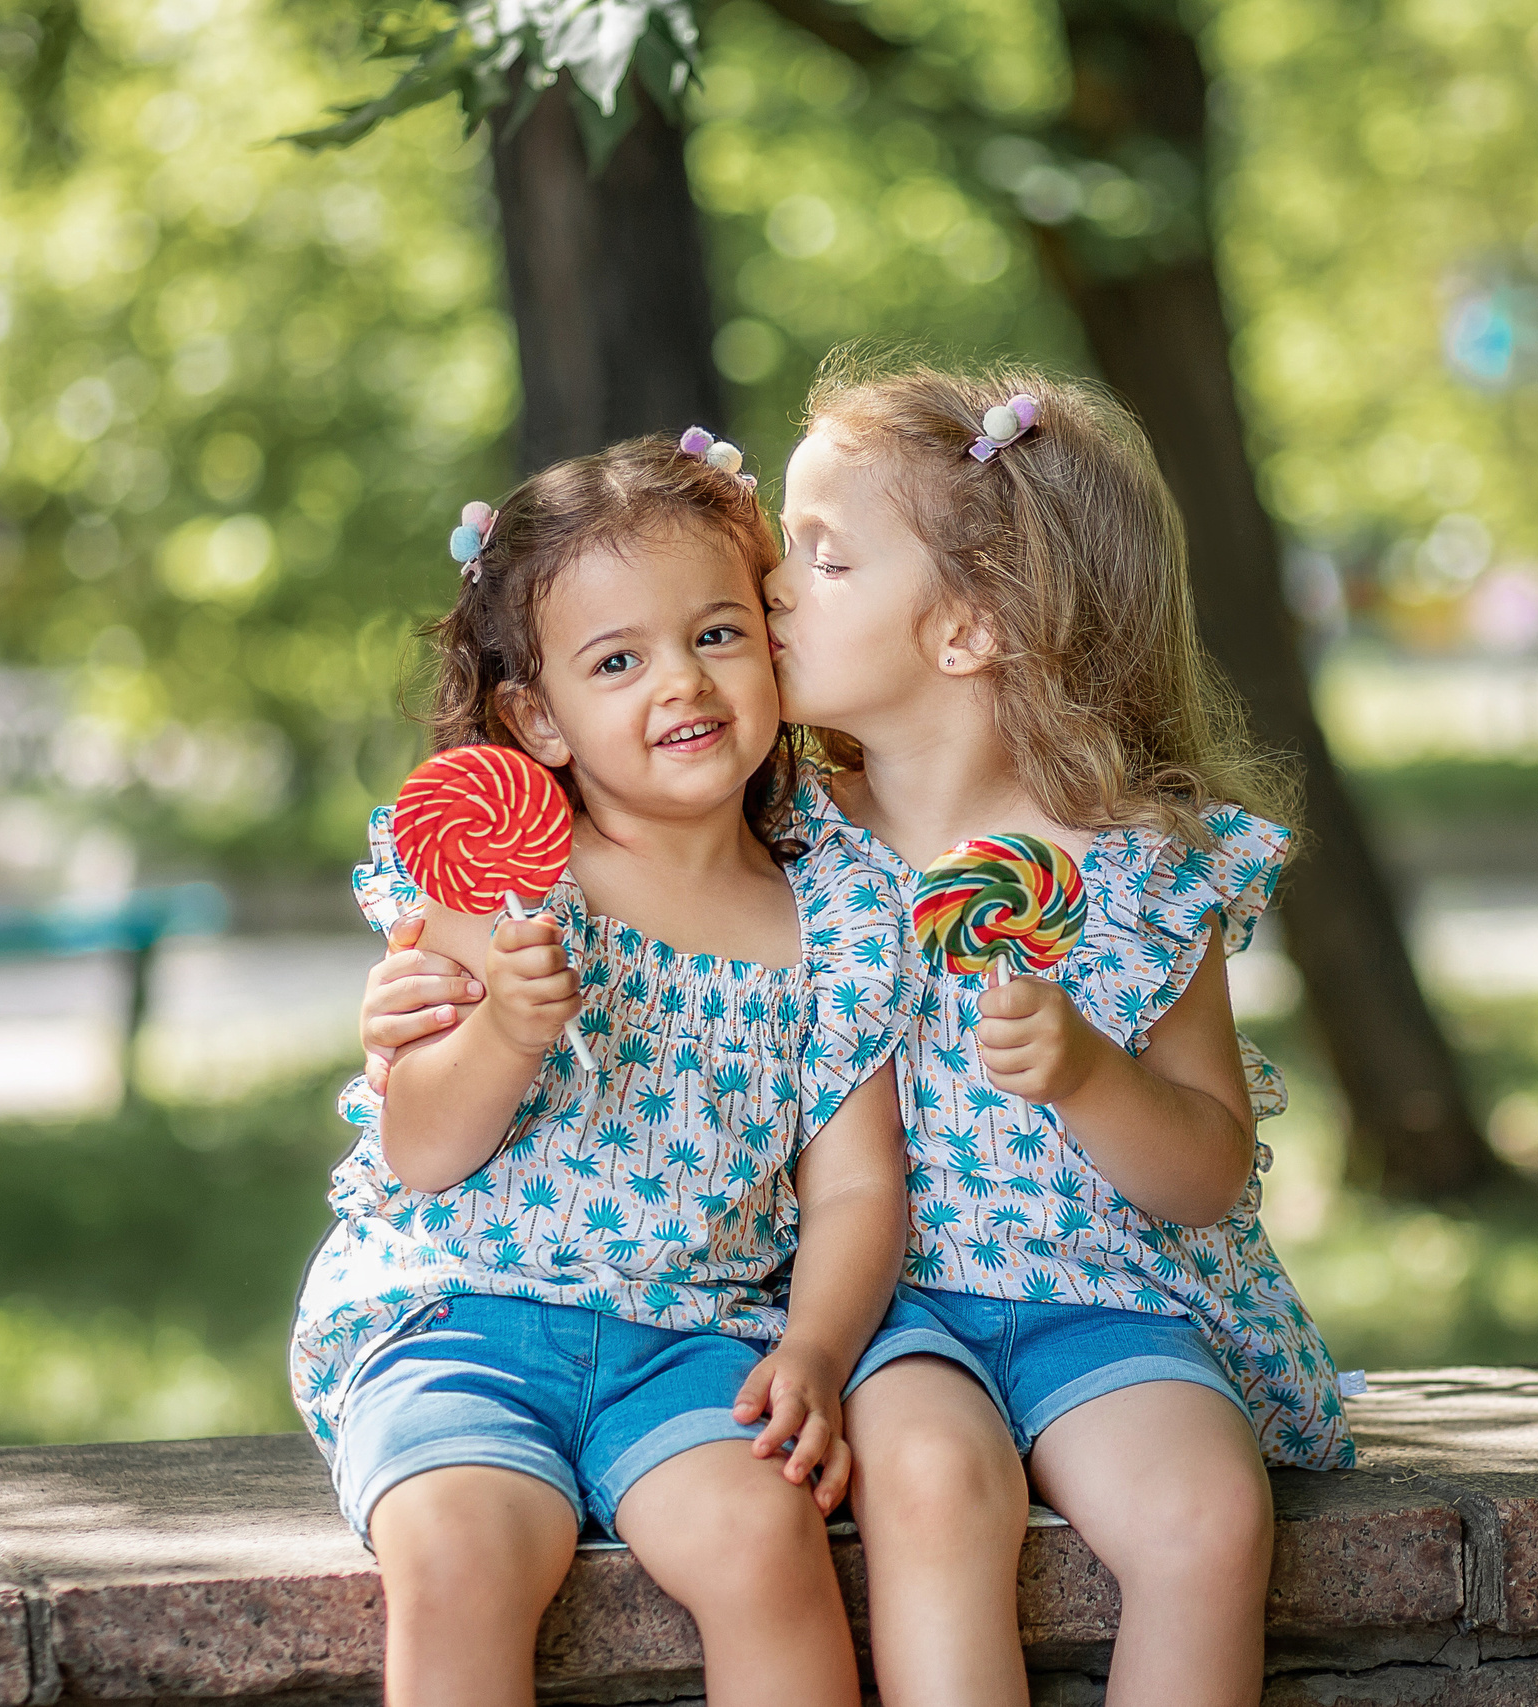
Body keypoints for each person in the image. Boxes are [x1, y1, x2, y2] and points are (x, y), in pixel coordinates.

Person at [760, 357, 1353, 1707]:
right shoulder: (781, 853)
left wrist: (1088, 1070)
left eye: (825, 556)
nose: (774, 584)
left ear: (969, 626)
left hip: (1107, 1299)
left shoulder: (1142, 872)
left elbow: (1208, 1172)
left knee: (1206, 1516)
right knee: (930, 1482)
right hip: (886, 1308)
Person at [292, 429, 908, 1707]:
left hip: (691, 1338)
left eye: (717, 635)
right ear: (538, 718)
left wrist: (813, 1352)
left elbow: (853, 1189)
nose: (677, 682)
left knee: (760, 1538)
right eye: (615, 661)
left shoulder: (836, 912)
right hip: (455, 1316)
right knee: (463, 1548)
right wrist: (505, 1033)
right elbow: (421, 1150)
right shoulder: (508, 879)